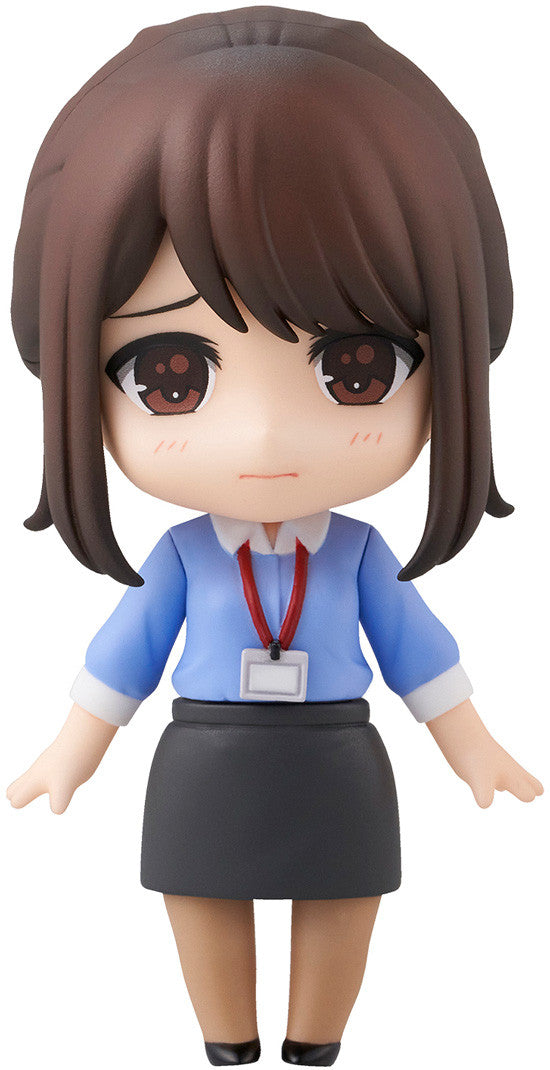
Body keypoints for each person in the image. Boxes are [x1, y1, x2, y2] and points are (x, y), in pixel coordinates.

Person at [7, 8, 543, 1067]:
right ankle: (225, 1038)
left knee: (344, 893)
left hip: (339, 750)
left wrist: (471, 745)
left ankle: (315, 1039)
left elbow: (419, 656)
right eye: (170, 375)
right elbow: (122, 660)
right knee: (198, 889)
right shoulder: (180, 560)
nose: (261, 437)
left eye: (356, 367)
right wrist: (72, 750)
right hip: (202, 752)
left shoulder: (359, 555)